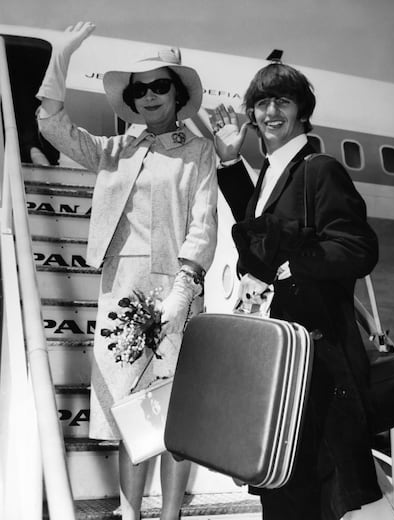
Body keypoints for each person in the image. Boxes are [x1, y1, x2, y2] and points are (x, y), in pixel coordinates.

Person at [36, 22, 218, 520]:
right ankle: (130, 512)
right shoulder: (114, 151)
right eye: (140, 89)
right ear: (131, 101)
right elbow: (52, 126)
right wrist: (62, 55)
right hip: (121, 291)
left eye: (161, 85)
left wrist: (184, 286)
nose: (150, 95)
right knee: (128, 412)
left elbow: (202, 226)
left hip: (177, 290)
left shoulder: (199, 153)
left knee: (174, 411)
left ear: (178, 94)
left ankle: (172, 515)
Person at [210, 62, 382, 520]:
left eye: (281, 101)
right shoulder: (271, 174)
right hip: (282, 362)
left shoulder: (319, 169)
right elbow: (259, 239)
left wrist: (289, 268)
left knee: (311, 491)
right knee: (282, 486)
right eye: (262, 102)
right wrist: (229, 161)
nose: (271, 111)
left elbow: (358, 249)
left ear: (301, 110)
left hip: (317, 364)